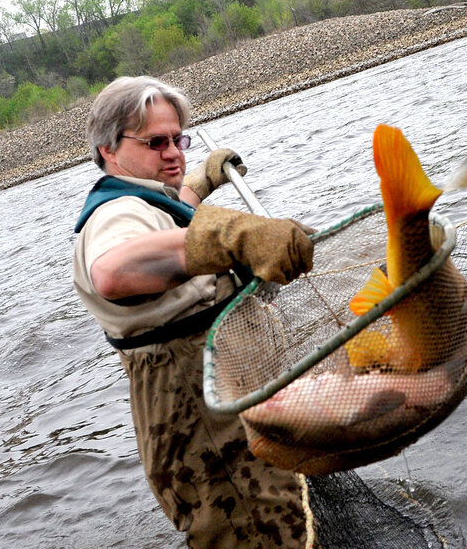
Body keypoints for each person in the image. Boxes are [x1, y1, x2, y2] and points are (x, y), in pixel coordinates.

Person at [72, 76, 318, 548]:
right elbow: (113, 269)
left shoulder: (145, 198)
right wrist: (234, 235)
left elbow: (169, 211)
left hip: (229, 404)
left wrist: (203, 181)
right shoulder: (112, 217)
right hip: (201, 426)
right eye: (155, 142)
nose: (172, 153)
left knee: (282, 512)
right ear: (107, 149)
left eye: (178, 140)